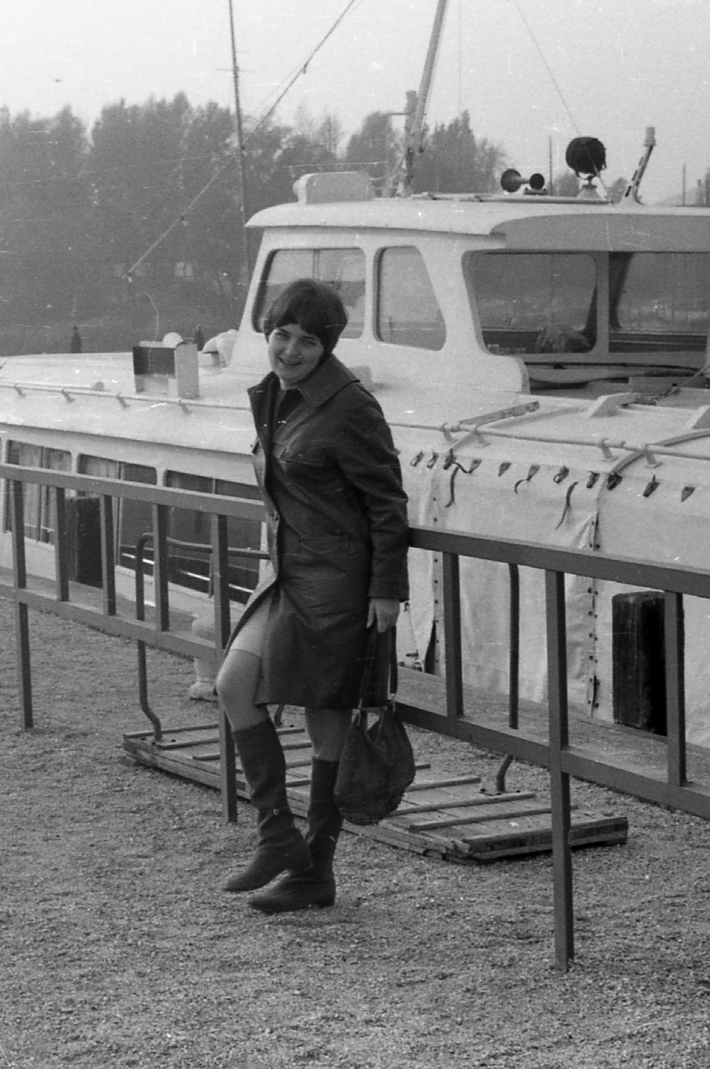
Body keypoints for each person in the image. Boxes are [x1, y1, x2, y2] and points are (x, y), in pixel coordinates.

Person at [215, 277, 410, 914]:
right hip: (288, 575)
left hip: (336, 589)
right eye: (281, 334)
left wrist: (386, 592)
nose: (290, 349)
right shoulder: (277, 395)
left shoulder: (350, 406)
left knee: (326, 725)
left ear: (327, 347)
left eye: (307, 340)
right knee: (232, 686)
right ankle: (278, 837)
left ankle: (315, 872)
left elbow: (387, 503)